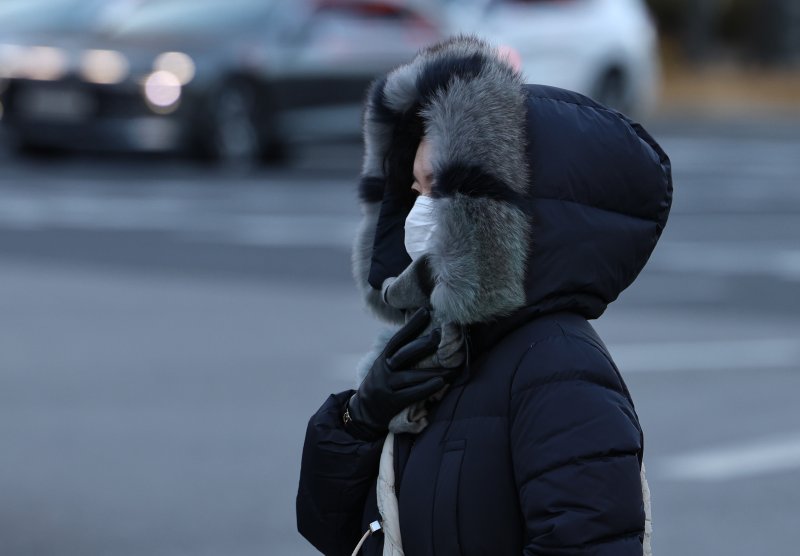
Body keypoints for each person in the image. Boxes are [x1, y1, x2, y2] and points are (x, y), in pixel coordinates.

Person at [296, 36, 672, 556]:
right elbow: (338, 532)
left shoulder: (559, 368)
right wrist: (358, 419)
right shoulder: (438, 350)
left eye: (438, 189)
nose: (419, 210)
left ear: (501, 206)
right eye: (415, 189)